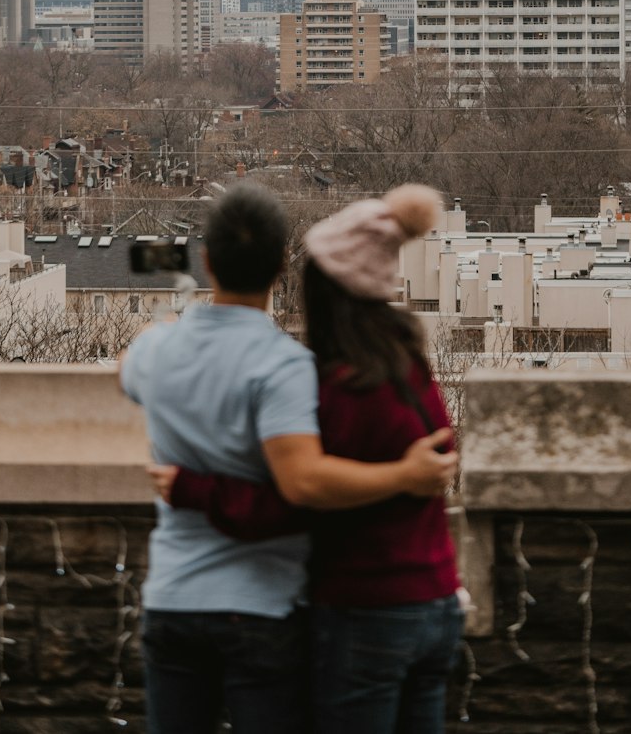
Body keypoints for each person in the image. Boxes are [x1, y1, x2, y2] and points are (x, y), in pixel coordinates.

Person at [120, 181, 456, 734]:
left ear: (205, 260)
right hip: (310, 600)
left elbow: (300, 490)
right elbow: (301, 486)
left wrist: (191, 486)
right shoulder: (375, 365)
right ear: (280, 265)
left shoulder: (161, 350)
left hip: (191, 595)